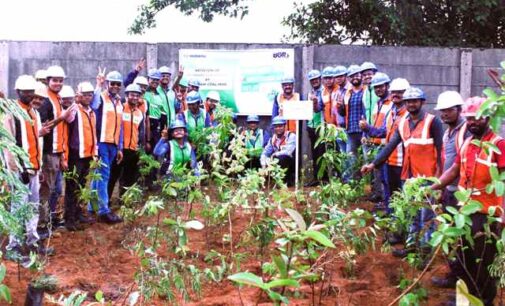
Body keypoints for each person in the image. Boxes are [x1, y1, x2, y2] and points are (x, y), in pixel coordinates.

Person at [431, 97, 505, 305]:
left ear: (488, 118)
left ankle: (484, 301)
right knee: (467, 258)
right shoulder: (467, 143)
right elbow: (454, 170)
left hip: (487, 216)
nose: (472, 122)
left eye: (477, 118)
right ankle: (467, 298)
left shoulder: (499, 145)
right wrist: (435, 186)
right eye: (469, 118)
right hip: (465, 212)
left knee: (485, 262)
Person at [361, 87, 444, 257]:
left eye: (415, 101)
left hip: (428, 178)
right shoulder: (403, 124)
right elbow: (390, 146)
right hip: (410, 176)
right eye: (408, 101)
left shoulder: (432, 122)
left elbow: (441, 150)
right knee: (412, 213)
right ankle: (412, 247)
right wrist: (373, 164)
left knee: (426, 216)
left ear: (422, 102)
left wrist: (440, 181)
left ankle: (425, 252)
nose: (411, 104)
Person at [4, 75, 54, 262]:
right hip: (20, 172)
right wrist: (18, 170)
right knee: (18, 208)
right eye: (26, 92)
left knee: (32, 206)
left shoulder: (34, 113)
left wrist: (38, 168)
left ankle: (32, 240)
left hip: (34, 168)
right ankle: (13, 246)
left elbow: (36, 142)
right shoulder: (12, 113)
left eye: (31, 92)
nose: (29, 95)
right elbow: (9, 145)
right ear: (18, 92)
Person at [430, 91, 471, 289]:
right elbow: (445, 162)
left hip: (462, 192)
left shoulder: (467, 131)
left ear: (459, 110)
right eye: (442, 111)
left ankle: (462, 280)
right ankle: (454, 276)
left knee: (461, 239)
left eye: (449, 110)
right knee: (452, 235)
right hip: (449, 189)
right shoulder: (448, 132)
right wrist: (440, 186)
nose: (444, 114)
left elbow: (459, 167)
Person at [38, 65, 72, 228]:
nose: (58, 83)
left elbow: (62, 129)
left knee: (56, 190)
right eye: (55, 80)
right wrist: (61, 117)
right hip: (48, 152)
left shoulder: (57, 99)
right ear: (48, 81)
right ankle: (42, 224)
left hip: (57, 152)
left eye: (60, 81)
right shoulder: (45, 101)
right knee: (46, 190)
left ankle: (49, 218)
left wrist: (63, 154)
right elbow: (44, 128)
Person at [89, 70, 124, 224]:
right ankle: (104, 210)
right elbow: (93, 104)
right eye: (112, 83)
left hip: (113, 144)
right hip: (102, 142)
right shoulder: (101, 98)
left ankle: (91, 207)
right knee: (104, 175)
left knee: (99, 175)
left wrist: (120, 147)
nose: (115, 86)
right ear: (108, 84)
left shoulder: (118, 102)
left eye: (118, 84)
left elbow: (120, 126)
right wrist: (98, 84)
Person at [64, 82, 97, 231]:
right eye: (85, 94)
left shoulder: (91, 112)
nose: (88, 97)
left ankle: (77, 213)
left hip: (87, 154)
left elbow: (94, 133)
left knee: (82, 186)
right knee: (72, 187)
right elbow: (66, 120)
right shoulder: (74, 110)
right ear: (79, 95)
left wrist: (95, 152)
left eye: (90, 95)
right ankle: (69, 218)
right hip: (75, 154)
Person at [108, 84, 145, 204]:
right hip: (120, 149)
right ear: (127, 95)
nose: (134, 97)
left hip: (133, 150)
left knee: (129, 178)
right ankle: (106, 201)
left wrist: (140, 147)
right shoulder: (120, 108)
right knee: (113, 176)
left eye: (137, 95)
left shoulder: (140, 113)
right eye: (132, 94)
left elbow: (141, 131)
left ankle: (124, 201)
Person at [359, 72, 392, 206]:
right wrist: (367, 135)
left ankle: (386, 204)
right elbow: (375, 123)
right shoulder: (378, 103)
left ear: (387, 86)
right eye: (376, 87)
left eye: (381, 86)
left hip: (386, 145)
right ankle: (382, 200)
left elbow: (385, 131)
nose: (378, 89)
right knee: (379, 176)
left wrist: (367, 129)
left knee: (386, 178)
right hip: (376, 143)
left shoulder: (390, 104)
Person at [337, 64, 366, 178]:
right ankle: (354, 183)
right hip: (351, 130)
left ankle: (369, 184)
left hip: (364, 130)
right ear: (349, 78)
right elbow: (343, 113)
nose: (355, 78)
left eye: (357, 75)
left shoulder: (366, 91)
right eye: (352, 76)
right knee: (351, 158)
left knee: (366, 157)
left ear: (361, 76)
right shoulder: (348, 93)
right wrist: (340, 108)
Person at [260, 116, 296, 186]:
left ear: (284, 126)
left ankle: (286, 182)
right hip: (277, 163)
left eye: (280, 126)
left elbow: (288, 151)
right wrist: (263, 164)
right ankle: (270, 181)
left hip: (290, 163)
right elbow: (265, 152)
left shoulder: (291, 136)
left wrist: (275, 154)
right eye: (276, 127)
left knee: (282, 158)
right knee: (261, 160)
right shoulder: (272, 139)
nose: (278, 129)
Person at [305, 69, 324, 186]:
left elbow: (320, 108)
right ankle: (316, 178)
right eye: (312, 80)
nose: (314, 81)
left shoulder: (324, 92)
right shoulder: (309, 93)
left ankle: (322, 178)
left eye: (316, 79)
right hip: (311, 126)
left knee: (322, 153)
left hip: (320, 126)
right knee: (314, 153)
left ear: (320, 79)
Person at [143, 68, 164, 148]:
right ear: (148, 79)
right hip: (145, 125)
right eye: (153, 79)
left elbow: (162, 113)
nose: (155, 81)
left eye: (157, 80)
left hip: (156, 128)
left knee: (155, 151)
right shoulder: (143, 92)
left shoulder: (160, 95)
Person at [361, 62, 379, 126]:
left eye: (369, 74)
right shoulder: (365, 92)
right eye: (364, 75)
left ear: (375, 74)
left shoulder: (379, 90)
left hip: (379, 127)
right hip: (369, 128)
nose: (367, 77)